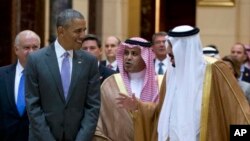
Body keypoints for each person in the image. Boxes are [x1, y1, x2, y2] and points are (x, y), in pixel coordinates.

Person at [117, 25, 250, 141]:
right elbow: (161, 113)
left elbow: (238, 112)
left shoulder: (215, 69)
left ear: (184, 52)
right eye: (169, 57)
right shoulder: (172, 73)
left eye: (173, 56)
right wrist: (140, 106)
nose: (171, 61)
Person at [25, 9, 100, 141]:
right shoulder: (36, 60)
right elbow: (33, 105)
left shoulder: (90, 61)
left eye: (84, 30)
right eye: (78, 31)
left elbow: (92, 106)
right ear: (61, 31)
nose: (83, 35)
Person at [93, 37, 163, 141]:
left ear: (145, 57)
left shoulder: (160, 84)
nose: (128, 57)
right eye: (126, 53)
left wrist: (138, 107)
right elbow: (99, 123)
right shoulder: (110, 83)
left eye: (134, 54)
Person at [0, 30, 41, 141]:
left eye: (35, 47)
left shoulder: (49, 77)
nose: (31, 52)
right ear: (16, 50)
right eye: (26, 48)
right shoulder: (2, 75)